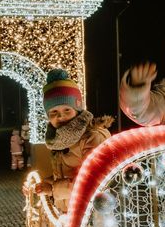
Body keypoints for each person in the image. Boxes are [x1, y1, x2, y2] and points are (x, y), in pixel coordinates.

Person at [33, 69, 113, 212]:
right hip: (69, 213)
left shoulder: (92, 137)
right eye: (54, 112)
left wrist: (52, 189)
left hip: (92, 215)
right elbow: (65, 174)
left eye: (67, 110)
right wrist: (45, 183)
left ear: (77, 109)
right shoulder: (58, 141)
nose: (60, 116)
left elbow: (92, 181)